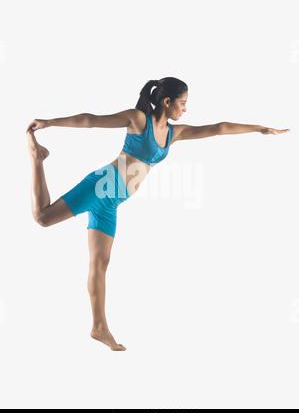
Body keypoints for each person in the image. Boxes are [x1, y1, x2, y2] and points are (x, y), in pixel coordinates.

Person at [26, 76, 291, 351]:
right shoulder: (138, 120)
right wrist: (50, 122)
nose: (185, 109)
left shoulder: (174, 133)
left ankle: (99, 327)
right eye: (183, 103)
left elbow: (218, 128)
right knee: (43, 217)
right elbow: (90, 120)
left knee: (100, 264)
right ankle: (37, 158)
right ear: (167, 101)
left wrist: (260, 129)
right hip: (101, 187)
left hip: (112, 203)